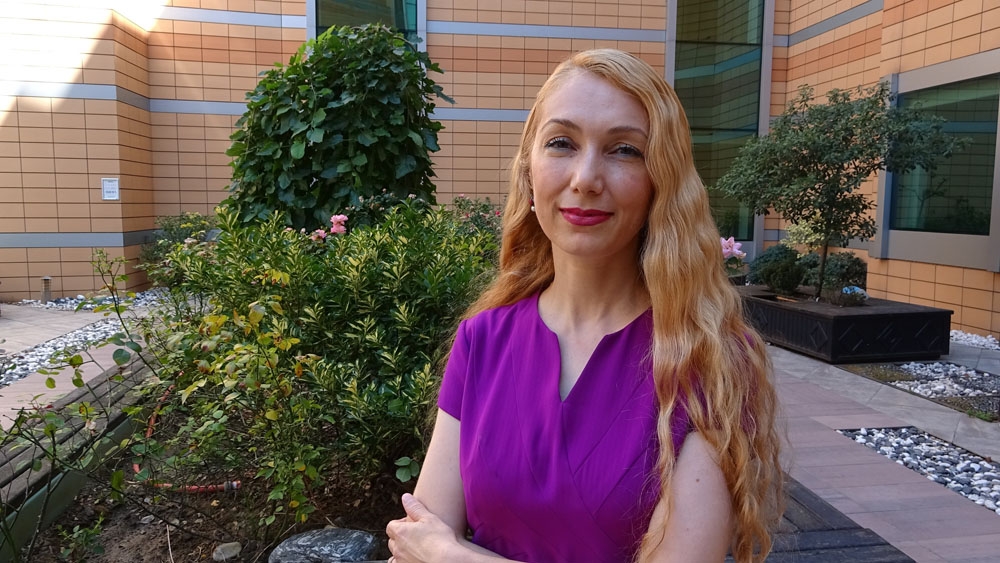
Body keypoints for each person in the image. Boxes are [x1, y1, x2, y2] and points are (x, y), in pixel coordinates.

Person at [385, 48, 782, 563]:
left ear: (660, 183)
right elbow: (416, 544)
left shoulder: (713, 359)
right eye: (561, 143)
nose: (586, 178)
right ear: (529, 172)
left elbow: (429, 550)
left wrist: (452, 556)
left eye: (624, 151)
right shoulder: (483, 340)